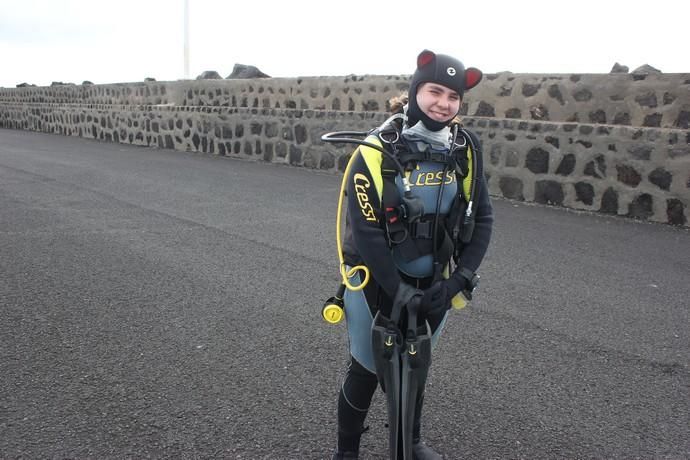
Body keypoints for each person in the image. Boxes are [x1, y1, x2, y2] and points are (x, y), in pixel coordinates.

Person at [331, 50, 494, 460]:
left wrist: (460, 279)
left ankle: (413, 441)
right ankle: (346, 452)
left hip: (436, 282)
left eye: (453, 96)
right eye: (434, 91)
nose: (443, 102)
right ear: (414, 90)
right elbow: (366, 230)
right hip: (376, 282)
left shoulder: (465, 149)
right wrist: (398, 288)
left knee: (417, 368)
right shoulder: (376, 149)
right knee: (367, 369)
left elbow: (484, 218)